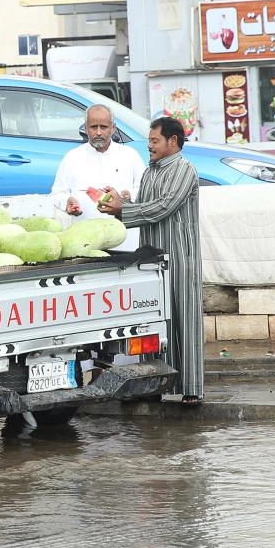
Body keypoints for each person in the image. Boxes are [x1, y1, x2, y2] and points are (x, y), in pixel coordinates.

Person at [96, 116, 203, 405]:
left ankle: (191, 389)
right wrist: (119, 205)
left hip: (180, 257)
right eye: (149, 142)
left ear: (173, 141)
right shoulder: (150, 171)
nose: (150, 147)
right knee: (154, 323)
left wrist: (124, 211)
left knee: (184, 321)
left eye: (155, 141)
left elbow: (163, 207)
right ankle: (155, 385)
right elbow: (145, 207)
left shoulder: (184, 169)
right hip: (152, 259)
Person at [50, 104, 146, 250]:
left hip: (125, 243)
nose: (99, 132)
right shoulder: (72, 158)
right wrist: (67, 202)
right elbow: (57, 193)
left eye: (104, 127)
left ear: (113, 128)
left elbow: (145, 189)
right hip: (86, 243)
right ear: (85, 128)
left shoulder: (129, 155)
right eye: (94, 127)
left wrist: (127, 195)